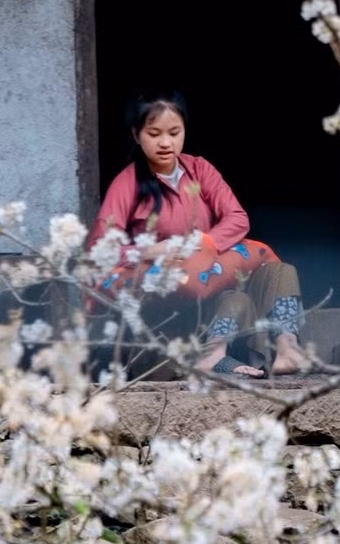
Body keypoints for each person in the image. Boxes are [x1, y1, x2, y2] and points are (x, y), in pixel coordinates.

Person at [91, 90, 308, 376]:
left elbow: (237, 218)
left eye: (174, 132)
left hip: (211, 282)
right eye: (154, 134)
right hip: (166, 299)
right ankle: (214, 358)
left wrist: (200, 247)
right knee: (230, 303)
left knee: (279, 271)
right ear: (136, 135)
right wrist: (150, 251)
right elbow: (101, 249)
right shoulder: (126, 184)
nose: (165, 142)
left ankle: (287, 348)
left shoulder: (200, 170)